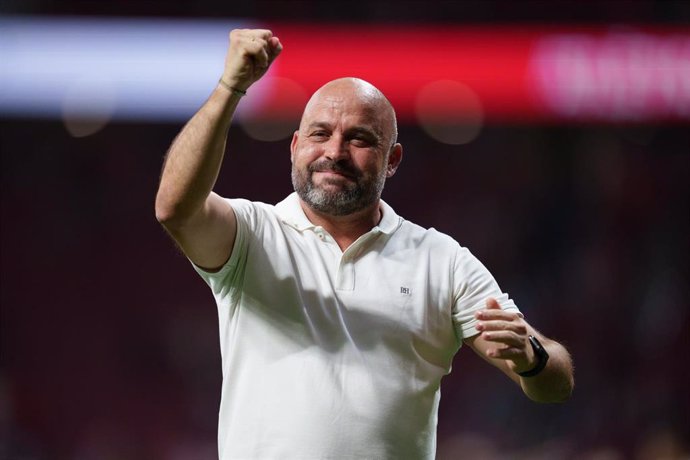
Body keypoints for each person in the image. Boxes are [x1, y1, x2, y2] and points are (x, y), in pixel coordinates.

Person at [155, 29, 574, 459]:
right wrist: (231, 87)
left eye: (359, 139)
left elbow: (555, 385)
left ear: (392, 160)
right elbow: (175, 208)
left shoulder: (440, 260)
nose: (334, 152)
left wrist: (532, 357)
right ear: (295, 146)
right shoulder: (252, 233)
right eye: (319, 134)